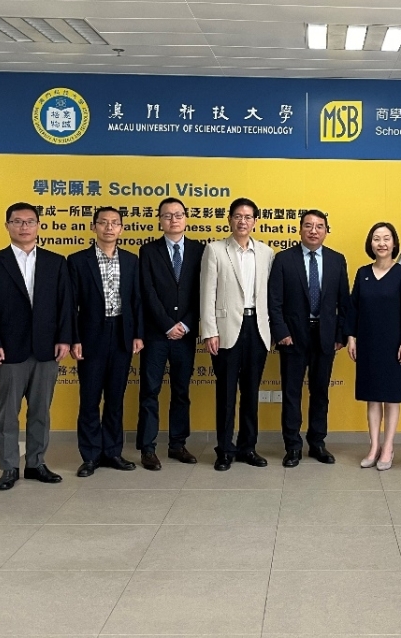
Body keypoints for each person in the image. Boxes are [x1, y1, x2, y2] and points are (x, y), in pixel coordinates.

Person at [0, 202, 75, 491]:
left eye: (30, 221)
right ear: (7, 225)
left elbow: (66, 304)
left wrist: (64, 338)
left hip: (47, 348)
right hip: (9, 349)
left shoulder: (55, 262)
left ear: (38, 225)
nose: (24, 227)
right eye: (17, 221)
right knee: (7, 413)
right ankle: (9, 467)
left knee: (40, 411)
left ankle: (36, 463)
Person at [268, 209, 350, 468]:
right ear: (300, 229)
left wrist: (340, 334)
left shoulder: (337, 260)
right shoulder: (284, 259)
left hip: (325, 336)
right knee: (291, 393)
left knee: (320, 392)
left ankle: (317, 443)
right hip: (293, 337)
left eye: (319, 226)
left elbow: (343, 302)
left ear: (326, 230)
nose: (314, 230)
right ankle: (292, 446)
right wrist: (281, 332)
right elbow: (274, 300)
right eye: (308, 225)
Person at [68, 207, 144, 477]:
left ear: (121, 228)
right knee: (89, 398)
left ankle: (112, 451)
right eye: (103, 223)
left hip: (122, 333)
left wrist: (138, 334)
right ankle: (90, 455)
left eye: (114, 223)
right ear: (94, 227)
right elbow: (70, 305)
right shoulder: (78, 261)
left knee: (115, 398)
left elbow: (137, 300)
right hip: (91, 336)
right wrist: (74, 338)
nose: (109, 228)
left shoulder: (131, 260)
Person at [200, 197, 274, 471]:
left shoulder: (266, 253)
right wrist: (210, 331)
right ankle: (224, 450)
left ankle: (248, 447)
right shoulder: (215, 250)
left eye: (248, 217)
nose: (243, 221)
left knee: (251, 393)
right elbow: (207, 293)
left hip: (257, 329)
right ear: (229, 219)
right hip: (226, 330)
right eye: (238, 216)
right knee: (226, 393)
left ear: (255, 221)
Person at [137, 198, 204, 469]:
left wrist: (186, 324)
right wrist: (167, 324)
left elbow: (203, 291)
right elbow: (147, 291)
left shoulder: (200, 250)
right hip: (156, 334)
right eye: (167, 215)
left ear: (186, 218)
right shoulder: (148, 251)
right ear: (160, 220)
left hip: (185, 335)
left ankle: (177, 444)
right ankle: (147, 448)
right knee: (149, 391)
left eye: (178, 215)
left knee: (181, 391)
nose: (173, 220)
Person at [345, 222, 401, 471]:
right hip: (368, 343)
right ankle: (374, 446)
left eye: (386, 238)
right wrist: (351, 337)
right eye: (377, 238)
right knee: (373, 397)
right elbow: (353, 308)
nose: (382, 243)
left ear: (394, 243)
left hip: (395, 345)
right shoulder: (363, 273)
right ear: (371, 243)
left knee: (392, 398)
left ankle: (388, 447)